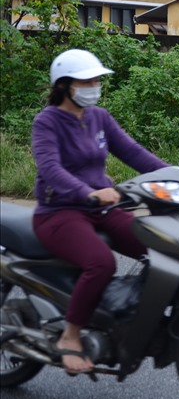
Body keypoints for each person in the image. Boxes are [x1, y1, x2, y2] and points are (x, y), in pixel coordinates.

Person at [31, 49, 168, 374]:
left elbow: (132, 151)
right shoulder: (47, 121)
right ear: (65, 86)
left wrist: (175, 175)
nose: (94, 85)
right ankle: (71, 334)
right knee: (100, 262)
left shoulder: (99, 117)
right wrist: (89, 192)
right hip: (59, 212)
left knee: (161, 247)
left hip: (101, 207)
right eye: (86, 80)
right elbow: (51, 169)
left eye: (96, 79)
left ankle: (134, 319)